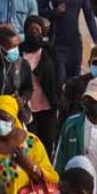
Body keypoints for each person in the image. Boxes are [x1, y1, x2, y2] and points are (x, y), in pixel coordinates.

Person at [20, 14, 63, 151]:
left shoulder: (49, 50)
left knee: (46, 145)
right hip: (27, 109)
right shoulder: (19, 51)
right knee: (30, 146)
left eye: (38, 30)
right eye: (31, 30)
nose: (35, 33)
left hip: (47, 106)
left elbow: (58, 75)